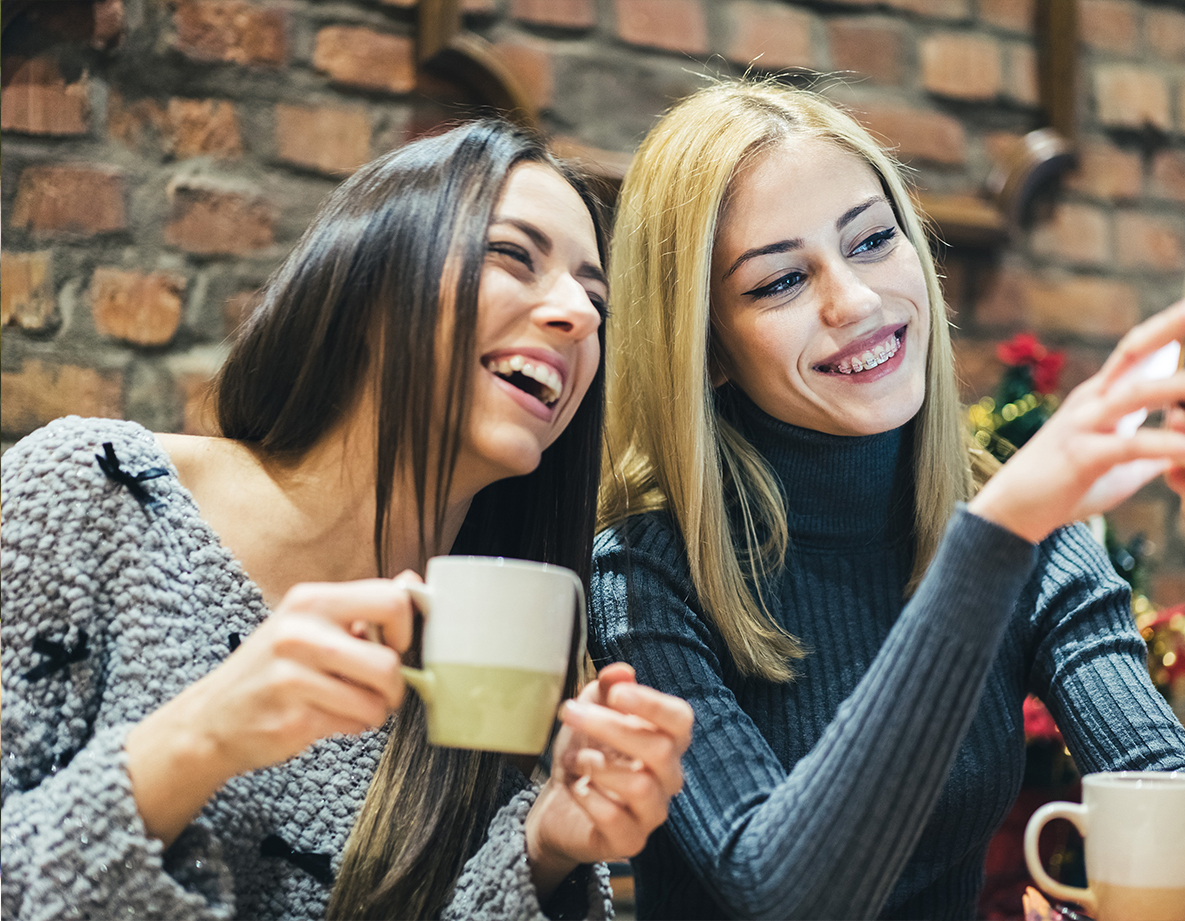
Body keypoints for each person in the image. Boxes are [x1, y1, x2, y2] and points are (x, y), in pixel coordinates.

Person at [589, 82, 1185, 920]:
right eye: (781, 281)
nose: (853, 300)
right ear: (705, 346)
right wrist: (994, 537)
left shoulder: (1022, 531)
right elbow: (782, 891)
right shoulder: (645, 569)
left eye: (872, 240)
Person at [1, 120, 693, 921]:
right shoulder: (101, 492)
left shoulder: (519, 667)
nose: (577, 311)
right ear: (370, 281)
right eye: (512, 254)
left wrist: (543, 852)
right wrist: (200, 737)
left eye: (596, 298)